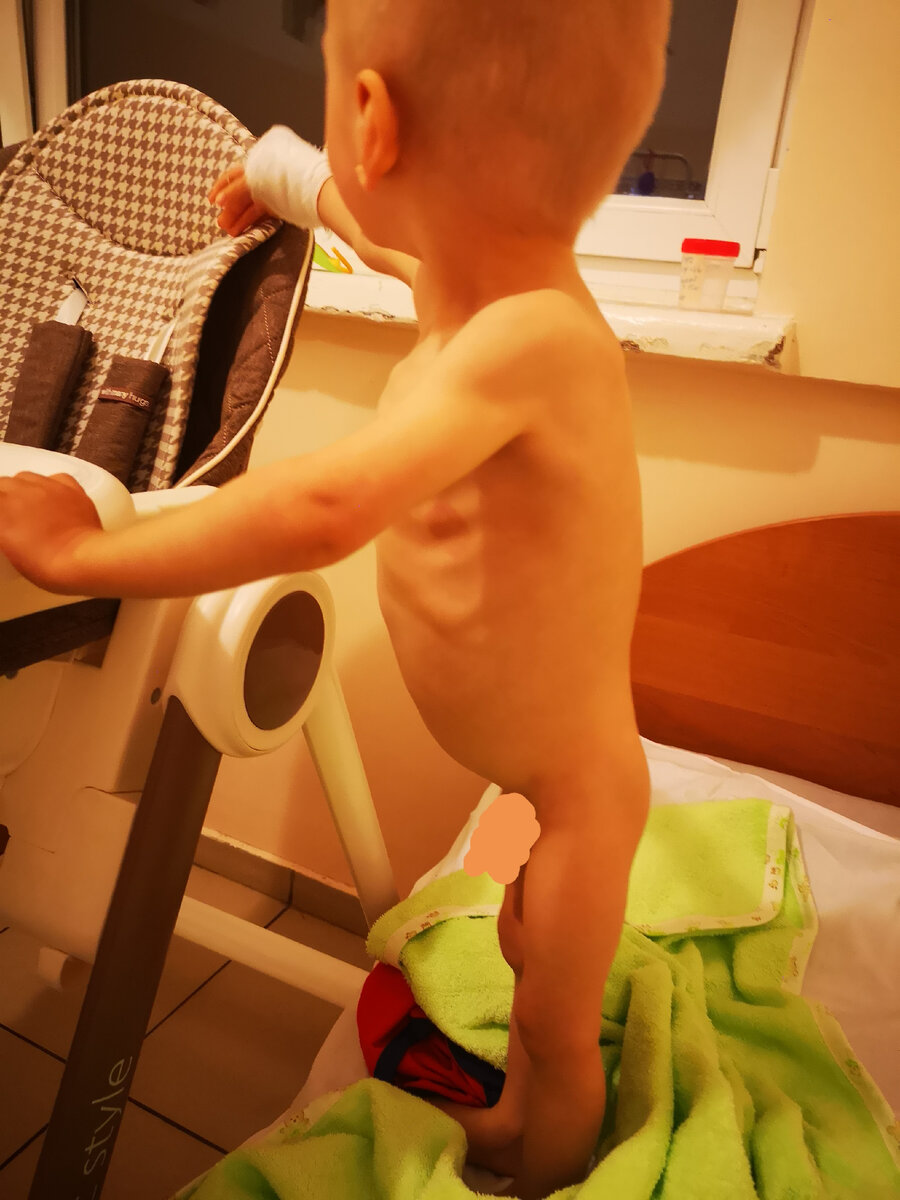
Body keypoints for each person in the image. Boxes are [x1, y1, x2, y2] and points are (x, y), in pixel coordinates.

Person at [0, 2, 670, 1194]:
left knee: (557, 1032)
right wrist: (278, 174)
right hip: (547, 779)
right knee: (532, 1005)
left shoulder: (529, 341)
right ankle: (517, 1112)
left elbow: (322, 507)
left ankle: (553, 1149)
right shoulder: (482, 287)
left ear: (373, 117)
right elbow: (376, 226)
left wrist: (83, 554)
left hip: (582, 803)